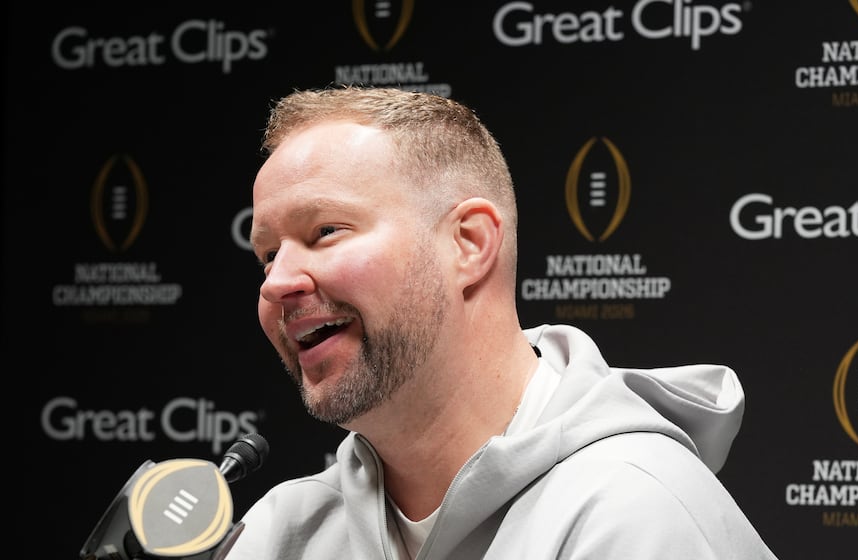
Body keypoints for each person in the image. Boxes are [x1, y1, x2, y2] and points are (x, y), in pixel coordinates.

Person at [228, 85, 778, 559]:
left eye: (325, 231)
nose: (276, 283)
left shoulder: (636, 509)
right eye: (268, 255)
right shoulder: (281, 533)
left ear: (467, 244)